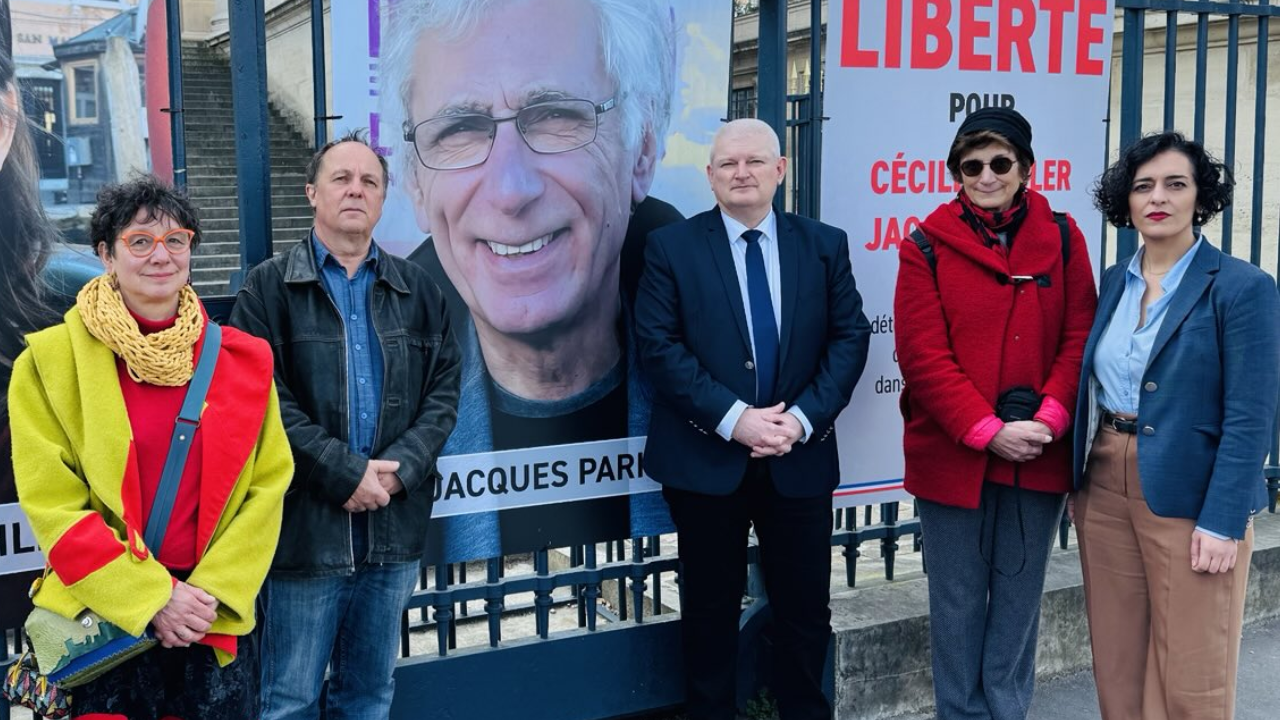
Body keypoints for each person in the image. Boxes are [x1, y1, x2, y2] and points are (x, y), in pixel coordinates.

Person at [381, 0, 680, 562]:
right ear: (416, 186)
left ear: (640, 151)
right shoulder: (370, 405)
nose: (511, 189)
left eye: (556, 116)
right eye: (460, 130)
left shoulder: (732, 362)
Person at [10, 174, 293, 718]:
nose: (159, 256)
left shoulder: (246, 360)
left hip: (208, 621)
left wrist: (204, 596)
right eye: (139, 241)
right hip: (106, 619)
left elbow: (268, 486)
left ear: (190, 252)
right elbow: (54, 506)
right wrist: (152, 597)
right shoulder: (48, 364)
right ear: (106, 255)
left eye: (175, 240)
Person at [635, 118, 871, 720]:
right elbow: (658, 346)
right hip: (706, 461)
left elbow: (850, 337)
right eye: (727, 164)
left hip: (800, 458)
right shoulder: (671, 248)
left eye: (754, 162)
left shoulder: (824, 244)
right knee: (709, 614)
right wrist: (735, 419)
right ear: (710, 176)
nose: (741, 173)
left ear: (780, 170)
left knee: (805, 613)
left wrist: (800, 419)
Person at [228, 130, 462, 720]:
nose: (355, 190)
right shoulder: (269, 288)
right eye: (341, 178)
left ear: (382, 201)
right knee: (287, 700)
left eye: (369, 181)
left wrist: (397, 473)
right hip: (302, 536)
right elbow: (261, 401)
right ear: (312, 192)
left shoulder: (420, 291)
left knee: (368, 696)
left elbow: (443, 395)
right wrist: (342, 472)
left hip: (393, 533)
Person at [893, 107, 1097, 720]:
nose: (985, 176)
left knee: (1018, 598)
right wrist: (986, 431)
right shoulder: (923, 245)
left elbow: (1079, 334)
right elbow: (922, 355)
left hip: (1038, 448)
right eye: (971, 165)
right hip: (953, 455)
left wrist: (1053, 418)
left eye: (999, 163)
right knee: (954, 602)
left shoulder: (1063, 238)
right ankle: (959, 713)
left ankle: (1007, 711)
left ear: (1025, 169)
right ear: (956, 173)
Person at [1074, 131, 1280, 720]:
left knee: (1193, 668)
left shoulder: (1242, 288)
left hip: (1192, 493)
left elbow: (1250, 415)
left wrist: (1223, 518)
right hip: (1104, 480)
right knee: (1116, 658)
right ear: (1126, 202)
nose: (1157, 197)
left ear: (1200, 196)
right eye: (1143, 187)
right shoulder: (1114, 282)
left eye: (1174, 184)